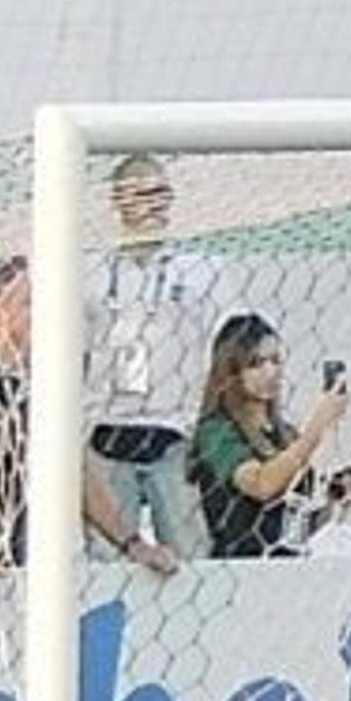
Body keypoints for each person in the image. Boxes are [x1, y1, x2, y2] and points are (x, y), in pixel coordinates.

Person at [0, 255, 170, 589]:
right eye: (30, 302)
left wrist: (133, 544)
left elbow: (76, 473)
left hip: (15, 569)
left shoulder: (43, 381)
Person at [86, 154, 221, 559]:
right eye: (143, 193)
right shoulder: (89, 272)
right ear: (118, 201)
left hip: (176, 429)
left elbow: (225, 345)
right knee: (109, 558)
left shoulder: (200, 270)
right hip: (105, 427)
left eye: (162, 193)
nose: (154, 204)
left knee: (189, 552)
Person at [189, 314, 351, 560]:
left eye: (276, 361)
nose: (270, 372)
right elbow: (262, 485)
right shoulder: (217, 431)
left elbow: (292, 527)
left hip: (287, 568)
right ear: (232, 370)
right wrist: (315, 430)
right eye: (255, 364)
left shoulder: (285, 433)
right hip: (241, 568)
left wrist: (334, 500)